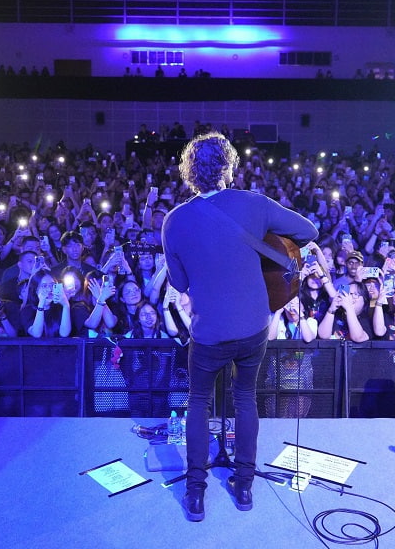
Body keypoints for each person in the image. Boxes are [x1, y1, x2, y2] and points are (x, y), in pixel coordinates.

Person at [161, 132, 317, 522]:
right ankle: (244, 485)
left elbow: (179, 284)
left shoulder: (174, 220)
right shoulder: (255, 204)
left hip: (209, 332)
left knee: (199, 403)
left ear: (189, 173)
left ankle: (195, 493)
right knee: (245, 397)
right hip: (252, 327)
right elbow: (309, 231)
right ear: (229, 167)